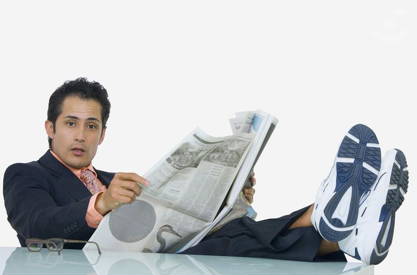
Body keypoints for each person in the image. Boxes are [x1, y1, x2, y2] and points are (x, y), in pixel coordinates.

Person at [3, 78, 409, 265]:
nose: (80, 134)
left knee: (236, 233)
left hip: (162, 257)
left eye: (91, 125)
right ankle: (340, 224)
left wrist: (231, 200)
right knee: (237, 243)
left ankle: (353, 236)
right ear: (50, 128)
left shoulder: (114, 179)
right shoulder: (24, 175)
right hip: (96, 271)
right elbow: (34, 225)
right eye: (71, 123)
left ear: (103, 133)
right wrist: (100, 203)